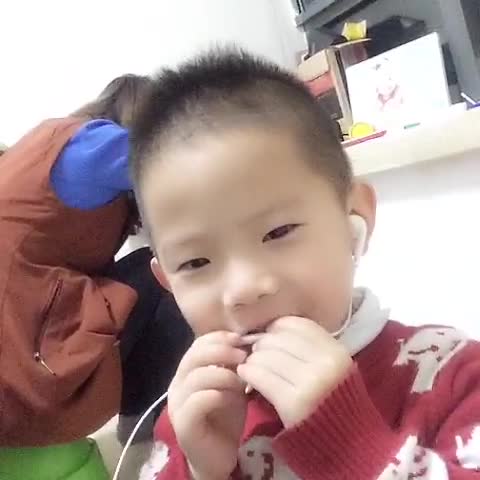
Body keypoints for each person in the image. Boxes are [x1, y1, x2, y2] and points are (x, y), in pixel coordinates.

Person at [128, 49, 480, 480]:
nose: (244, 288)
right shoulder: (194, 415)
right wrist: (202, 471)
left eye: (278, 232)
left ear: (355, 218)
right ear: (167, 282)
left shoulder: (450, 373)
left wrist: (353, 448)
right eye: (195, 261)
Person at [0, 73, 187, 480]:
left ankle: (141, 422)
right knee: (165, 274)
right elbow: (179, 158)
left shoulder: (47, 144)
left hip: (20, 325)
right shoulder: (94, 145)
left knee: (145, 272)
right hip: (22, 344)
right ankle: (147, 431)